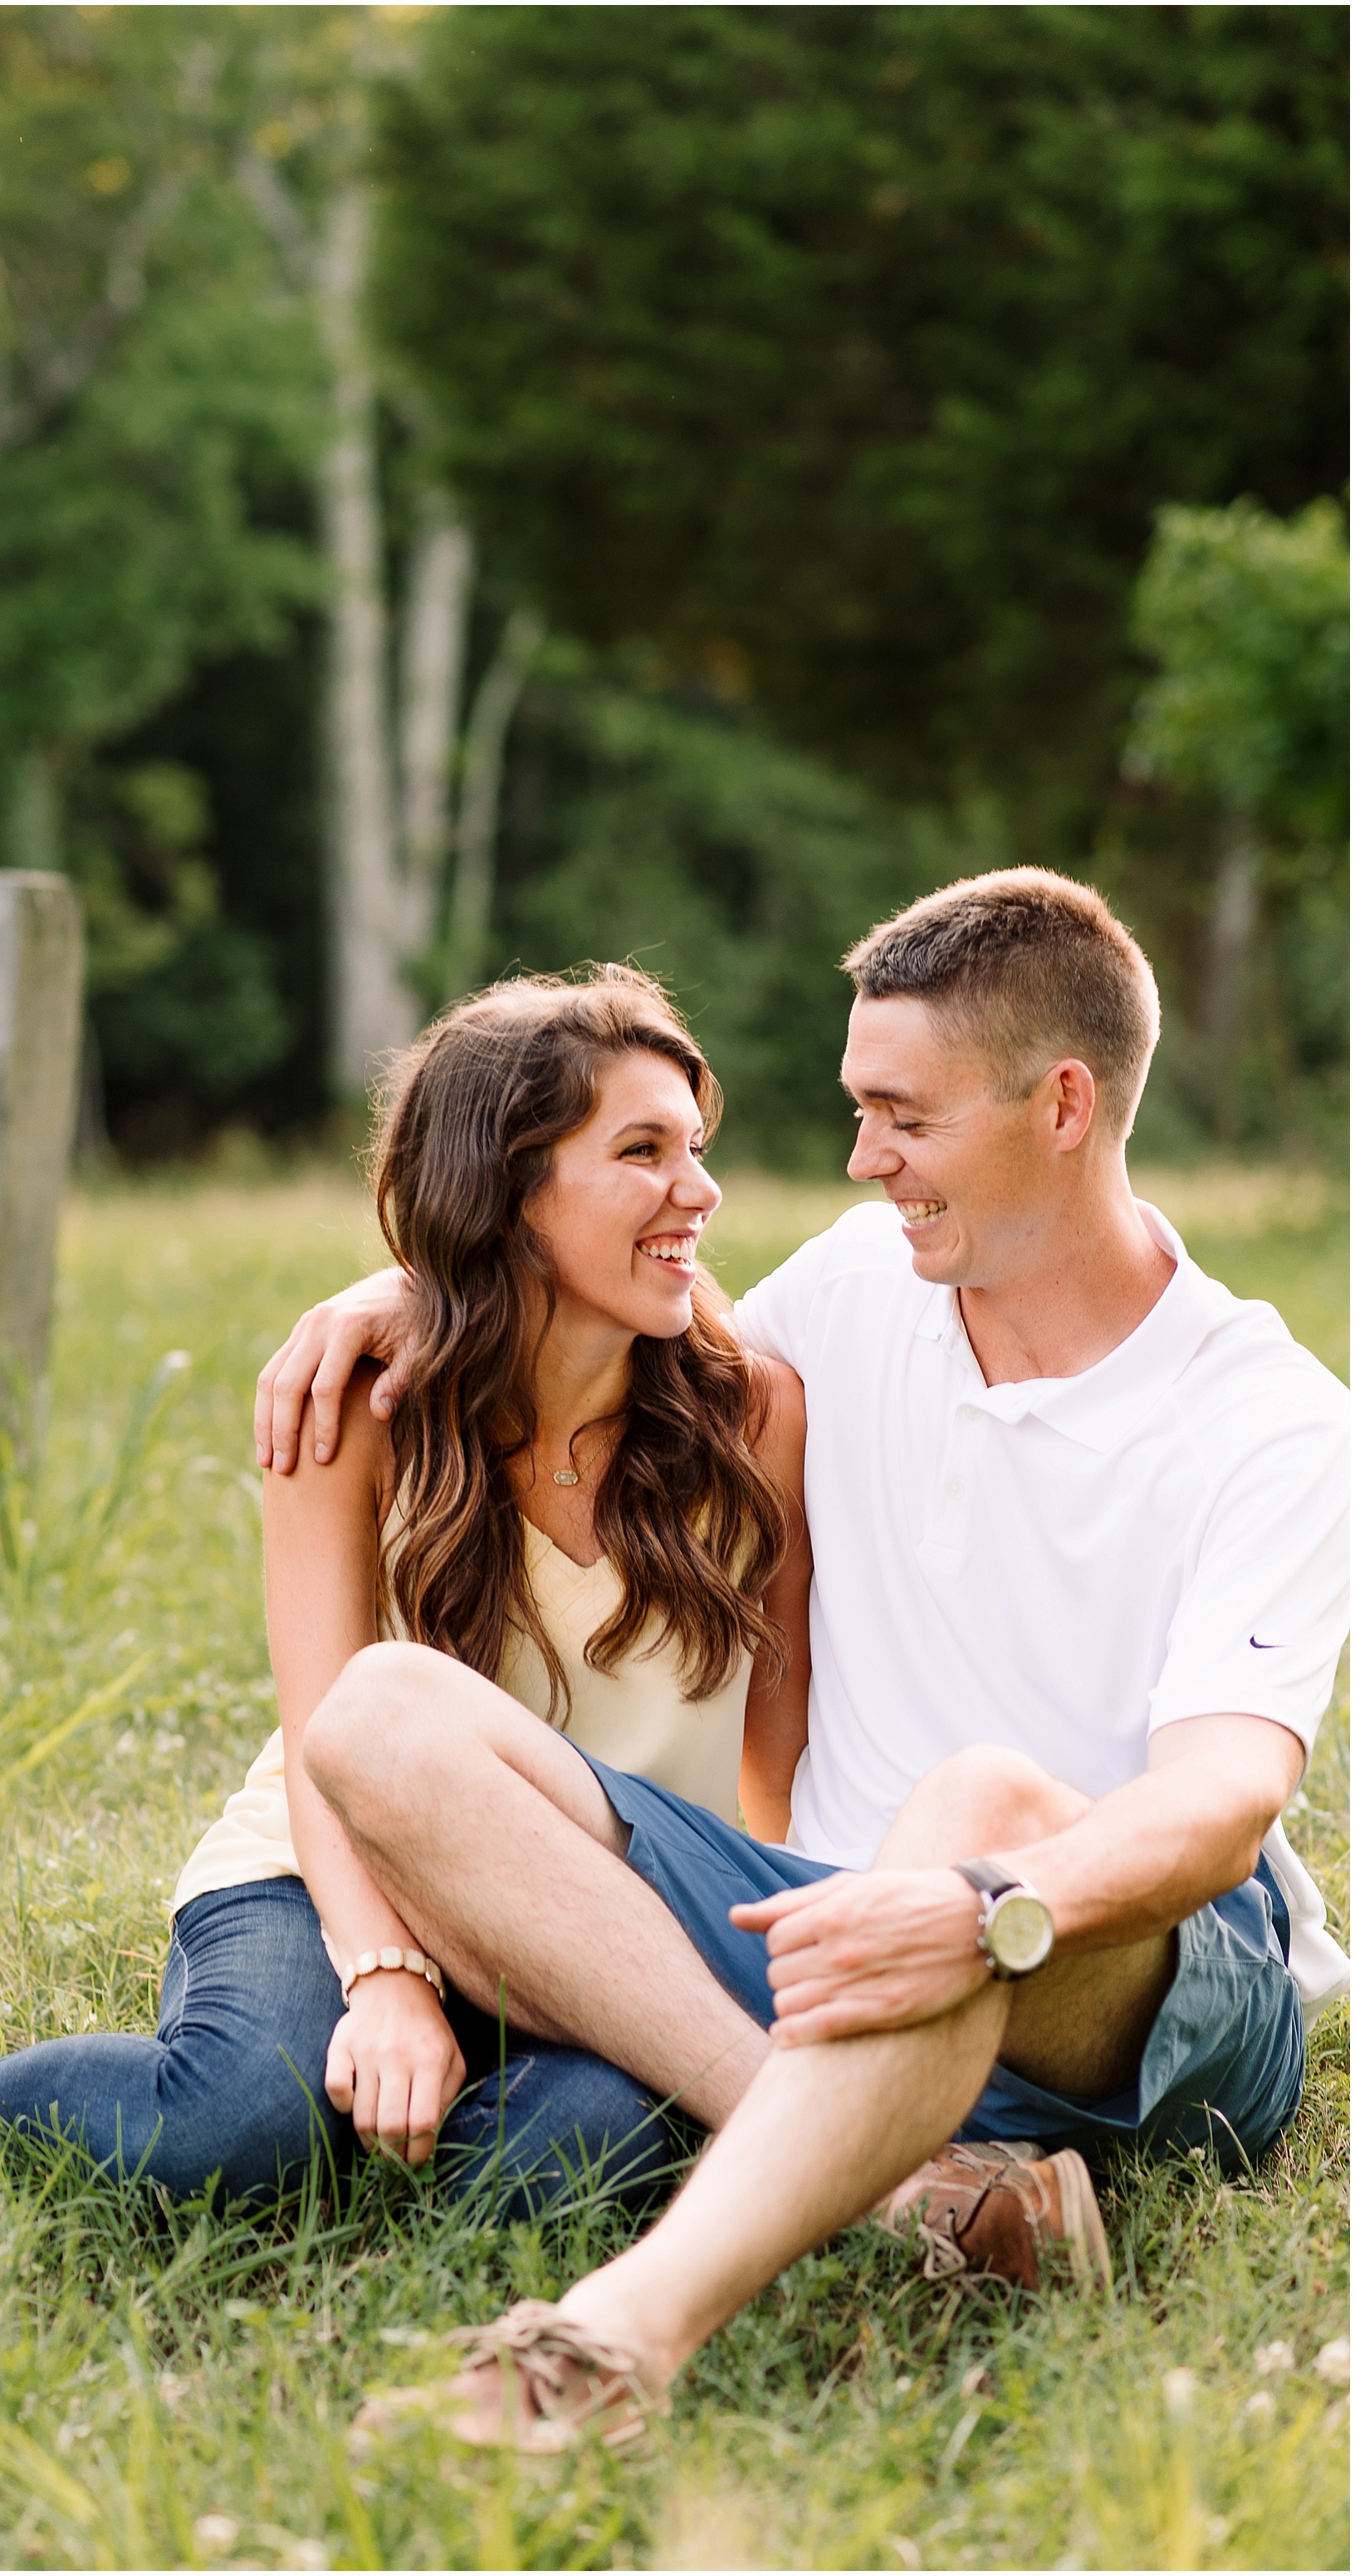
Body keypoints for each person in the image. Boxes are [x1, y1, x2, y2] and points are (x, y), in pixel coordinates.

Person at [256, 869, 1349, 2446]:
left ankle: (614, 2344)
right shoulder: (855, 1284)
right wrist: (413, 1276)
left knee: (977, 1795)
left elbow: (1223, 1803)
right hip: (814, 1925)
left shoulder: (1268, 1414)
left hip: (1130, 1968)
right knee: (384, 1719)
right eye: (856, 1111)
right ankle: (910, 2182)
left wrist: (976, 1907)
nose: (862, 1160)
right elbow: (606, 1308)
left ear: (1061, 1102)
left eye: (902, 1116)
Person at [0, 970, 810, 2218]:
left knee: (560, 2164)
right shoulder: (357, 1414)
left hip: (599, 1916)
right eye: (644, 1150)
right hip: (328, 1875)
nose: (701, 1192)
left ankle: (342, 2149)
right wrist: (387, 1980)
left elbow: (776, 1754)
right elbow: (324, 1743)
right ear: (508, 1189)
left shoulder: (754, 1417)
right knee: (241, 2119)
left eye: (697, 1146)